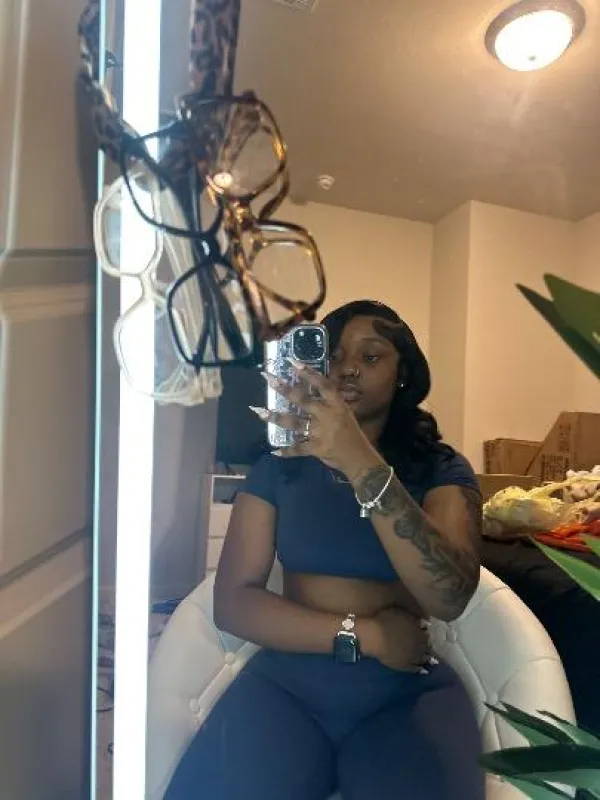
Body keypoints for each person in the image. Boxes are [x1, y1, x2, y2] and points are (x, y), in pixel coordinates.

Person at [165, 300, 485, 800]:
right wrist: (364, 636)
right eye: (333, 356)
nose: (348, 368)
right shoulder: (280, 466)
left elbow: (450, 595)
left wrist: (359, 460)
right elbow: (234, 602)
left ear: (403, 375)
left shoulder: (440, 469)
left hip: (405, 691)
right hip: (286, 687)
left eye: (371, 356)